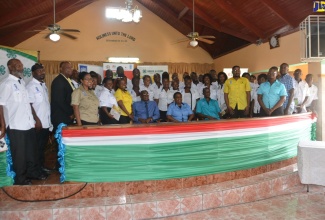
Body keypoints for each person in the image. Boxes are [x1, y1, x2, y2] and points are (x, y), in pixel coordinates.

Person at [0, 59, 46, 185]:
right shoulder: (6, 84)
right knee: (19, 154)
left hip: (28, 124)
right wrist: (3, 126)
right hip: (16, 125)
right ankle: (20, 178)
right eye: (17, 65)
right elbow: (1, 105)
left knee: (31, 152)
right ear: (10, 66)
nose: (20, 67)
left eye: (21, 65)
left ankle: (32, 173)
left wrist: (34, 120)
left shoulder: (22, 83)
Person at [27, 63, 52, 175]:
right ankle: (35, 171)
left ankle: (41, 167)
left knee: (42, 148)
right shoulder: (31, 86)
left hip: (46, 122)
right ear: (33, 73)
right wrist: (36, 120)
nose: (42, 73)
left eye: (43, 70)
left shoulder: (43, 85)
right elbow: (29, 105)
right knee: (36, 149)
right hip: (38, 124)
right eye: (39, 71)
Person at [51, 61, 75, 132]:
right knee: (61, 140)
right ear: (61, 69)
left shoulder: (67, 80)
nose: (70, 69)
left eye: (71, 67)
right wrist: (70, 112)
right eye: (67, 67)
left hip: (66, 115)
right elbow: (59, 100)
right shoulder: (59, 81)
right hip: (61, 116)